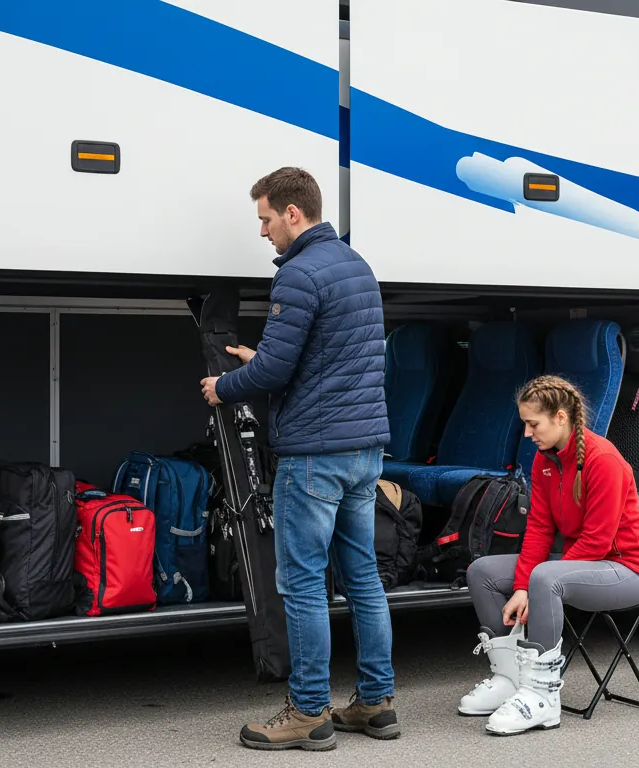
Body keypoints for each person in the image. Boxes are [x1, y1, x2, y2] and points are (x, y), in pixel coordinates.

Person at [200, 167, 396, 751]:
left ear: (292, 213)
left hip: (314, 456)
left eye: (264, 219)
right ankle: (376, 703)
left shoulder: (298, 276)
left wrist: (225, 384)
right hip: (363, 450)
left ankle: (308, 711)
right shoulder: (354, 265)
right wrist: (263, 355)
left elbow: (277, 372)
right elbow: (324, 357)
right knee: (363, 578)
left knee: (304, 582)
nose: (262, 232)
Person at [459, 374, 639, 736]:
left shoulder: (604, 460)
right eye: (525, 424)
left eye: (533, 424)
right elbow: (538, 529)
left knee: (546, 578)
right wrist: (522, 586)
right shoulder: (544, 459)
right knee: (482, 571)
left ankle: (542, 697)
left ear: (561, 418)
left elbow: (597, 542)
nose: (527, 433)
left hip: (627, 571)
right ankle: (509, 679)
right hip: (580, 565)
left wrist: (534, 586)